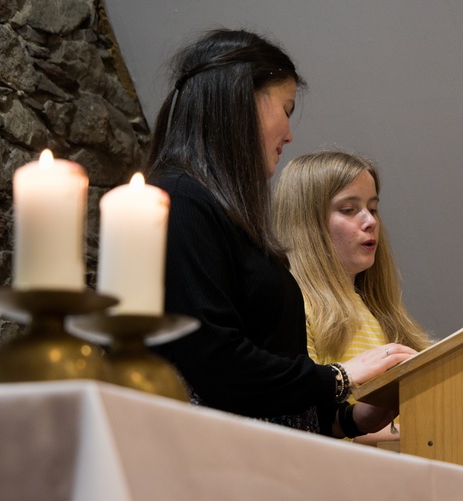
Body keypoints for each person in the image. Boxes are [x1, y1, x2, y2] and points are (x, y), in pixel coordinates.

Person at [143, 28, 416, 438]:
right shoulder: (178, 200)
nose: (289, 134)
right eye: (286, 109)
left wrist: (350, 418)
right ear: (242, 101)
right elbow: (215, 363)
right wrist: (339, 377)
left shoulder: (227, 216)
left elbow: (274, 392)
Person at [272, 150, 431, 442]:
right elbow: (307, 422)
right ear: (307, 223)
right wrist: (422, 431)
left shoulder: (376, 309)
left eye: (373, 208)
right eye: (348, 209)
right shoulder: (296, 305)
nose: (369, 221)